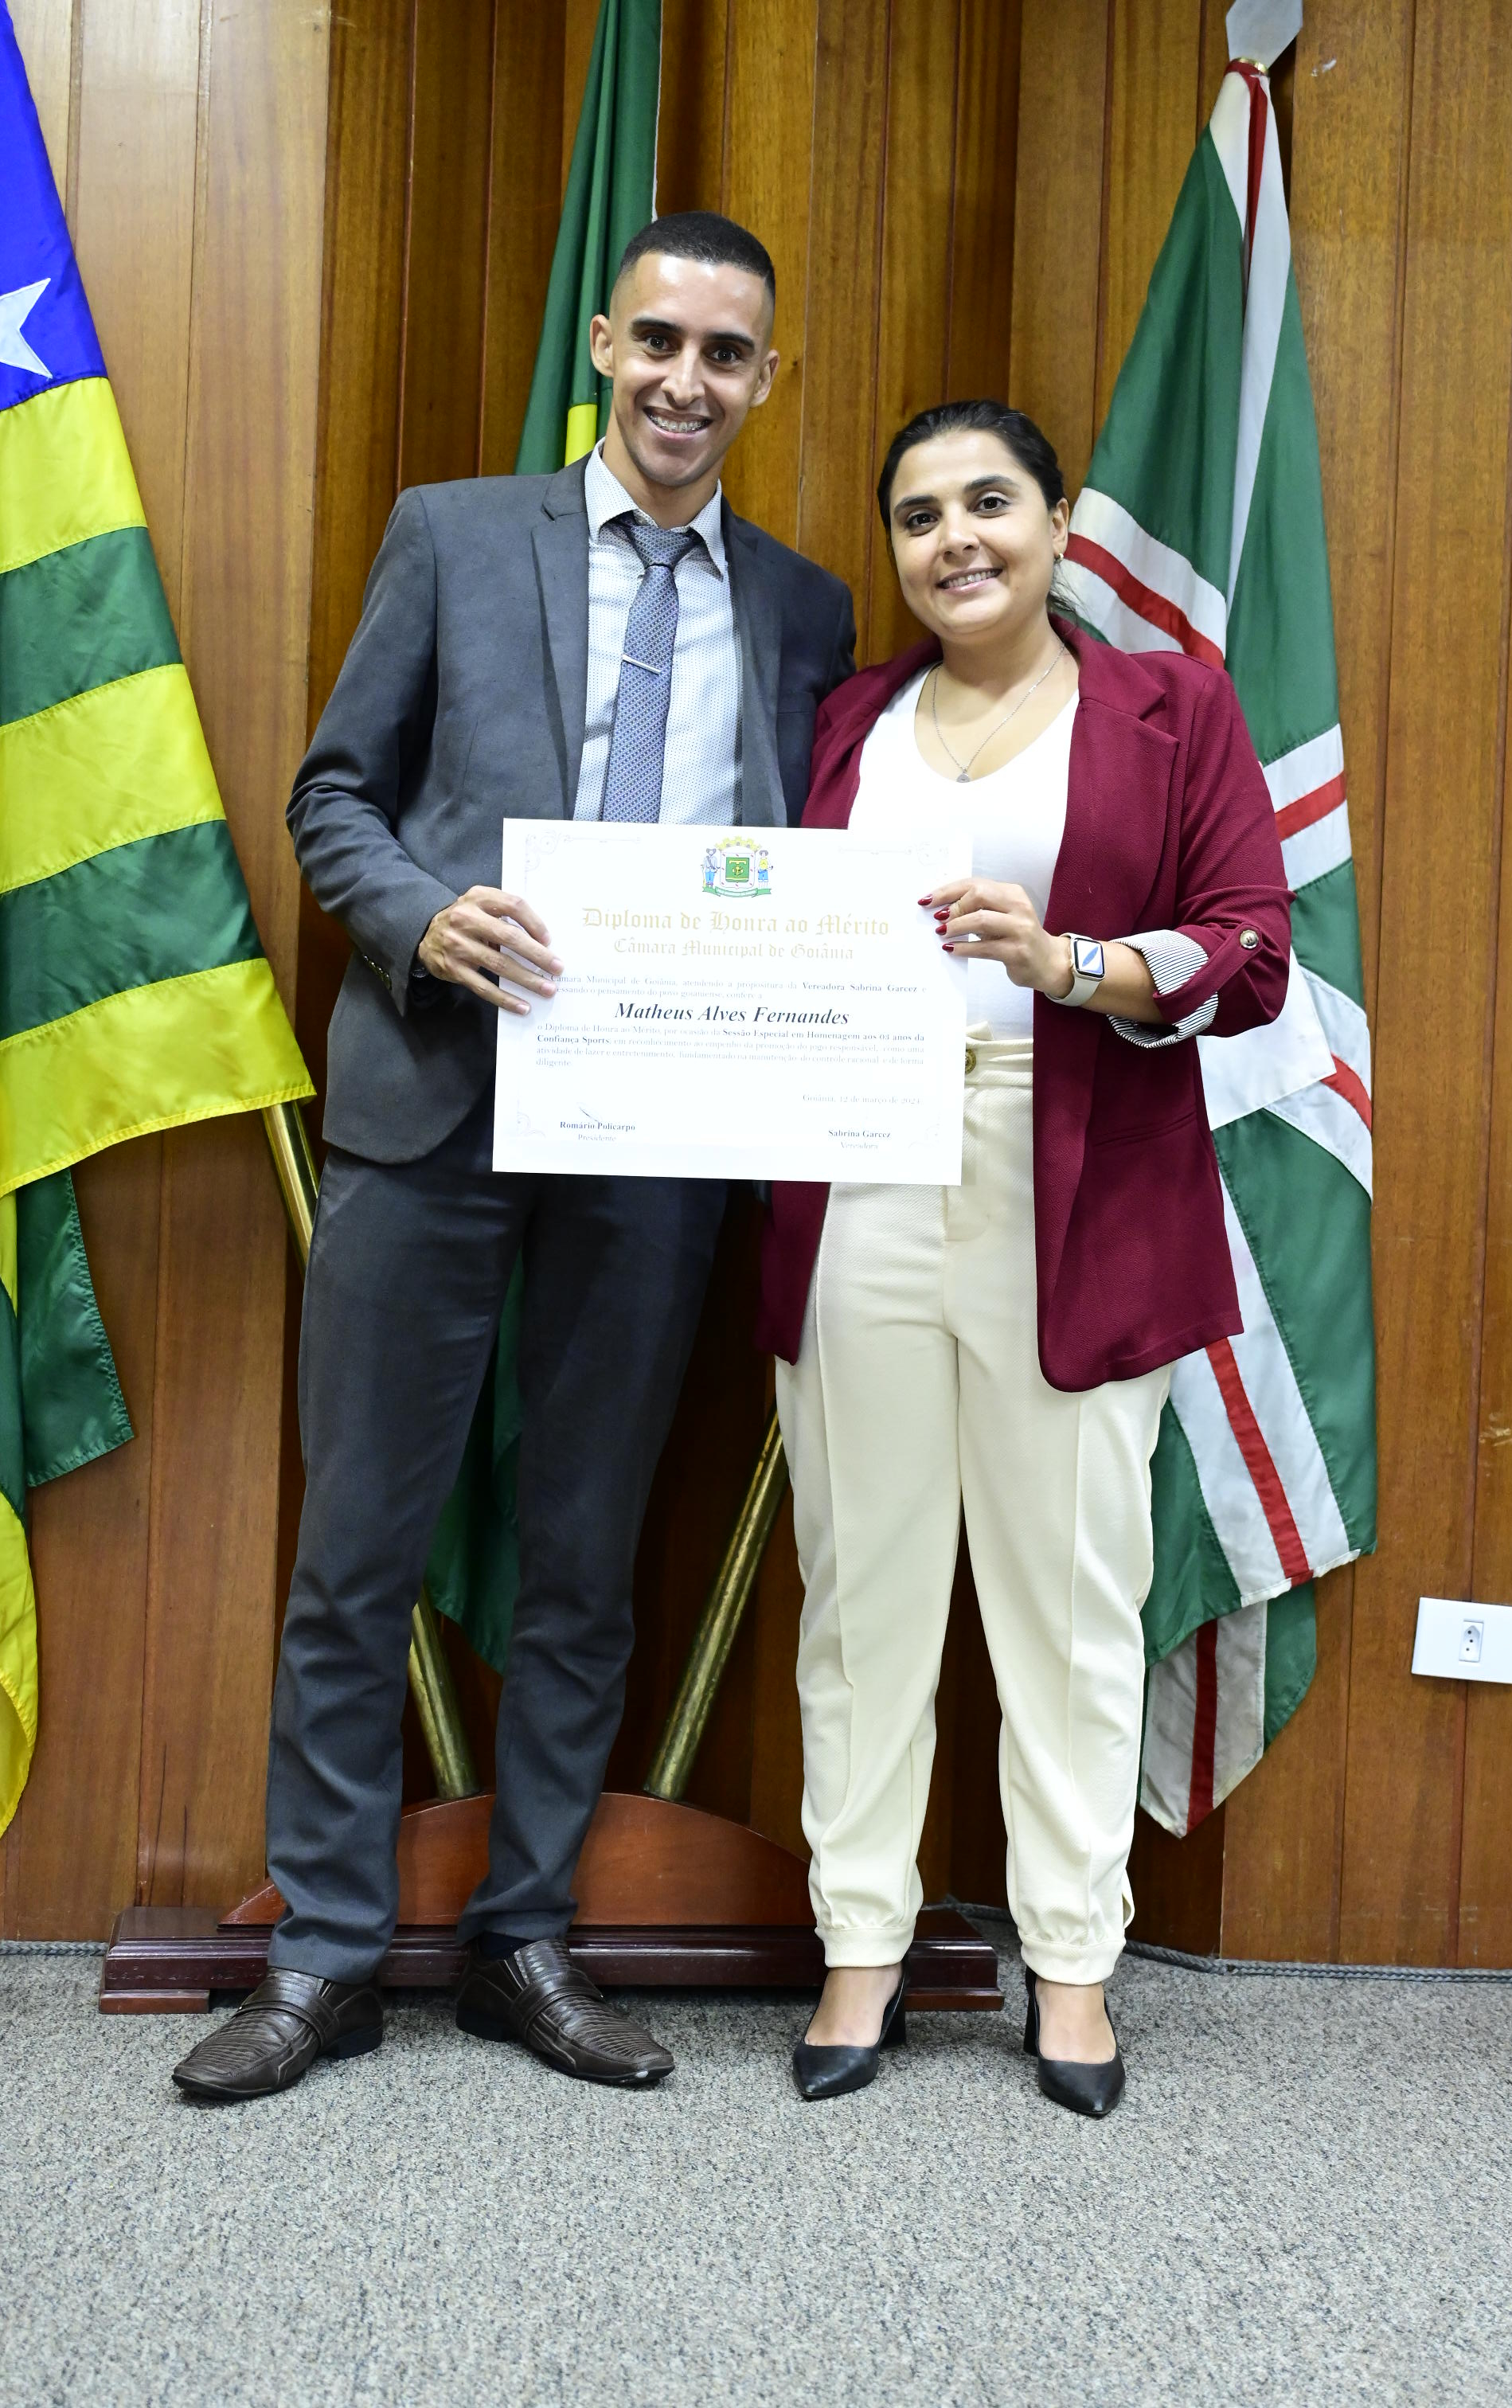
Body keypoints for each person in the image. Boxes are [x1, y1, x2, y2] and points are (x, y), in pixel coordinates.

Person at [174, 213, 857, 2105]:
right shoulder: (455, 535)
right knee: (357, 1549)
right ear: (606, 344)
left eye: (727, 355)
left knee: (585, 1557)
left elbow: (804, 870)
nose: (687, 383)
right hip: (434, 1104)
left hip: (660, 1141)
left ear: (767, 380)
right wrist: (419, 918)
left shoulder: (805, 611)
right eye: (660, 341)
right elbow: (333, 795)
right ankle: (322, 1957)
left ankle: (526, 1939)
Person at [756, 400, 1289, 2115]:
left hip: (1075, 1177)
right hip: (858, 1168)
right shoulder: (848, 721)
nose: (955, 540)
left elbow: (1252, 953)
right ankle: (861, 1945)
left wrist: (1069, 963)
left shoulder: (1172, 706)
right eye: (919, 517)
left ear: (1060, 524)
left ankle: (1070, 1966)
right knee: (863, 1591)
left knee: (1069, 1600)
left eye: (990, 502)